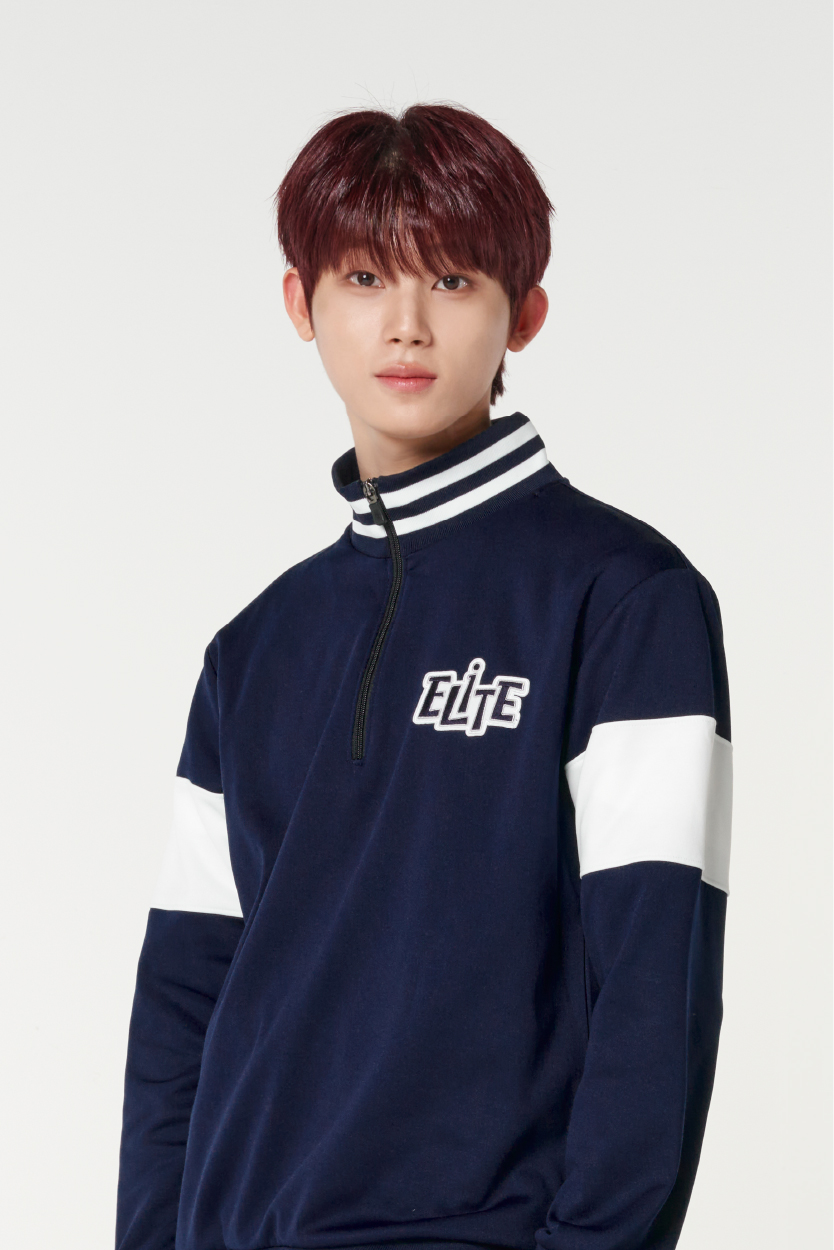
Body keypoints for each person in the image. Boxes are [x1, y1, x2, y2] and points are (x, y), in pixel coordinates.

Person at [115, 103, 731, 1250]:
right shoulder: (253, 649)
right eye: (363, 278)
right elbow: (183, 1005)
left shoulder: (624, 598)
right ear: (301, 304)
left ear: (523, 312)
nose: (405, 324)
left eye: (451, 280)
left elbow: (657, 985)